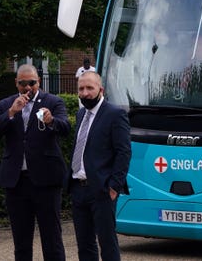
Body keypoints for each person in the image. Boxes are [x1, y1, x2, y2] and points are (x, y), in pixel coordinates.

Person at [0, 64, 70, 261]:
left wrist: (51, 121)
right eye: (23, 83)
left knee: (52, 240)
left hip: (46, 182)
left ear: (38, 82)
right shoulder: (5, 104)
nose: (27, 88)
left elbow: (65, 128)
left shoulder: (53, 101)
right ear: (16, 83)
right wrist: (11, 113)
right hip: (16, 183)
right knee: (21, 243)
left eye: (31, 83)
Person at [69, 71, 131, 261]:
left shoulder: (115, 114)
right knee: (85, 245)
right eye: (81, 88)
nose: (85, 92)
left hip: (103, 190)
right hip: (78, 189)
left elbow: (124, 152)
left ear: (100, 89)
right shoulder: (81, 114)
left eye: (90, 88)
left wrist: (114, 186)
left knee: (107, 243)